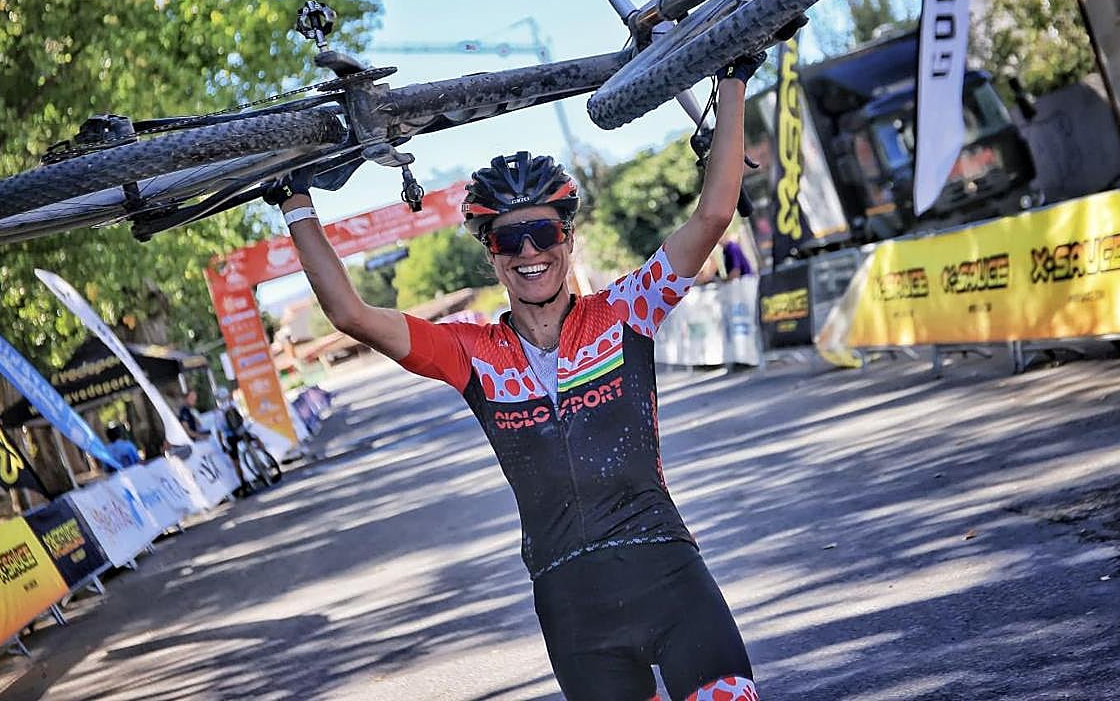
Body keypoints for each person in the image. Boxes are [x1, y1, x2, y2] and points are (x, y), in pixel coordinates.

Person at [265, 52, 767, 701]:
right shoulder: (471, 352)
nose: (530, 252)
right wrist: (296, 202)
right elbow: (350, 314)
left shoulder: (626, 313)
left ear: (567, 237)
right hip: (573, 607)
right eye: (509, 240)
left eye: (542, 231)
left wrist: (731, 79)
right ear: (492, 256)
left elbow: (712, 216)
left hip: (668, 575)